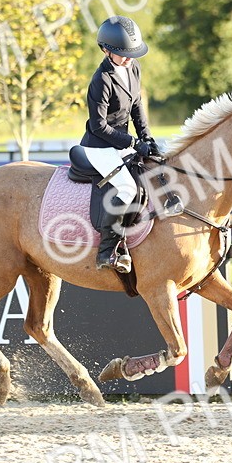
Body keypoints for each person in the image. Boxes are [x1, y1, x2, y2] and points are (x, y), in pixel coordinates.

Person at [76, 15, 158, 273]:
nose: (129, 58)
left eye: (132, 53)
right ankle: (107, 250)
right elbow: (99, 125)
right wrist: (132, 141)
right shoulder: (101, 80)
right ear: (105, 50)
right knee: (126, 187)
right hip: (99, 146)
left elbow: (136, 106)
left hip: (120, 141)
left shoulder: (133, 68)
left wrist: (146, 137)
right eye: (123, 54)